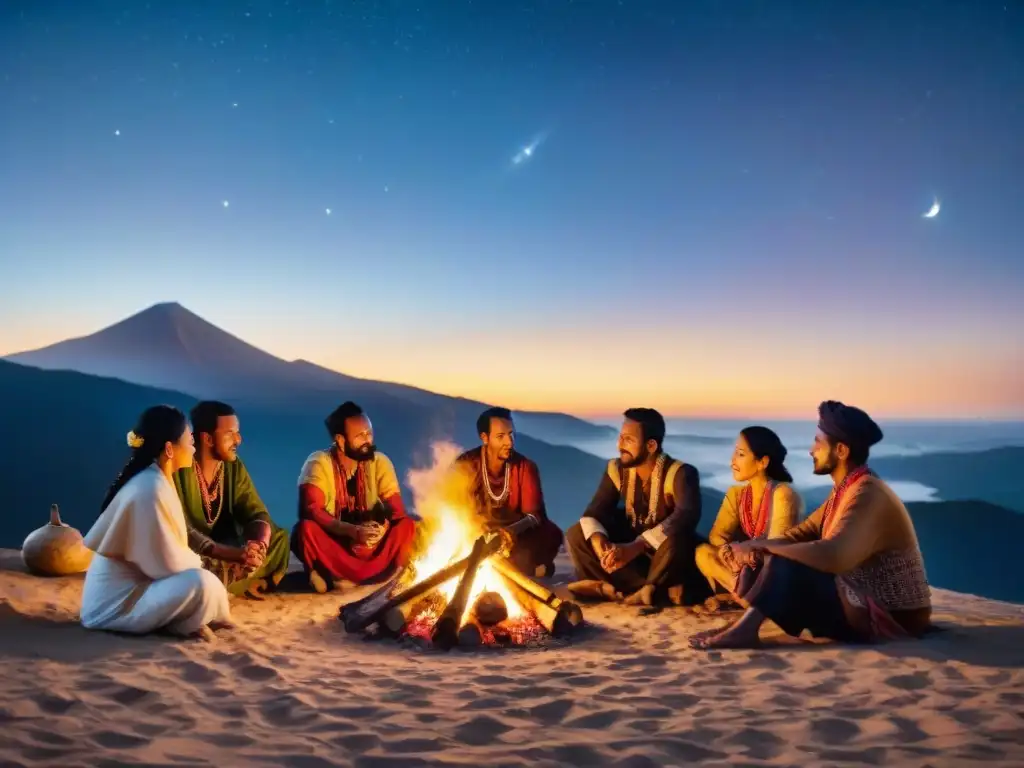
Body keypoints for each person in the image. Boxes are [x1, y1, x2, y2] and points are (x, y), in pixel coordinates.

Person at [690, 400, 932, 650]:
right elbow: (800, 534)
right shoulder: (845, 490)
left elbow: (832, 555)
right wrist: (753, 547)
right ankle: (743, 626)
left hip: (889, 616)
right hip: (855, 603)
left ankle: (743, 631)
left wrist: (766, 549)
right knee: (764, 558)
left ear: (840, 451)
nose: (811, 450)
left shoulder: (867, 493)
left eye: (818, 442)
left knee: (783, 561)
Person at [81, 405, 231, 640]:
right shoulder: (149, 488)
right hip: (117, 605)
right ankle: (180, 625)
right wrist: (197, 561)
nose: (194, 447)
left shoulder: (157, 480)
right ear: (170, 449)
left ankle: (187, 621)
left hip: (142, 590)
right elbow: (164, 565)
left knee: (207, 582)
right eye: (189, 440)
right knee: (200, 583)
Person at [565, 408, 707, 607]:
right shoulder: (617, 469)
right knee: (579, 532)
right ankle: (622, 587)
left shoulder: (681, 473)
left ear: (651, 445)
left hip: (665, 561)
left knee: (677, 540)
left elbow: (686, 516)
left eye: (628, 440)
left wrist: (637, 546)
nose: (619, 445)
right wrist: (600, 543)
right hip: (632, 560)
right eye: (620, 438)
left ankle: (649, 589)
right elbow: (595, 510)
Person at [291, 401, 417, 593]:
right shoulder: (319, 462)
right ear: (340, 441)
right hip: (337, 544)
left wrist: (380, 529)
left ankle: (381, 576)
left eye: (369, 433)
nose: (367, 440)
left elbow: (396, 511)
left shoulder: (380, 462)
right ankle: (329, 574)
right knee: (305, 530)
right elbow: (313, 510)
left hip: (371, 546)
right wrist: (351, 531)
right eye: (360, 436)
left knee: (407, 525)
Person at [173, 401, 291, 597]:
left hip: (229, 547)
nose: (238, 440)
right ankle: (232, 582)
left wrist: (257, 545)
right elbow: (180, 529)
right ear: (208, 438)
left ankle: (233, 579)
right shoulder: (181, 469)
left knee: (278, 538)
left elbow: (256, 512)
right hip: (194, 550)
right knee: (191, 566)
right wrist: (230, 554)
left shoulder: (233, 467)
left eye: (238, 433)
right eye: (230, 434)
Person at [694, 426, 803, 608]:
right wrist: (726, 551)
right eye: (735, 453)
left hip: (771, 569)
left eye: (741, 454)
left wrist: (746, 552)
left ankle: (747, 599)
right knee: (703, 553)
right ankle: (746, 598)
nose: (732, 461)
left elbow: (778, 547)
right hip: (741, 567)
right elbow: (717, 535)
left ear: (762, 462)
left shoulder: (783, 494)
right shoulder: (736, 494)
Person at [449, 407, 564, 578]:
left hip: (516, 537)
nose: (509, 442)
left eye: (511, 434)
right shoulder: (466, 464)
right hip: (476, 533)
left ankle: (524, 568)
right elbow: (456, 508)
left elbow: (534, 516)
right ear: (485, 438)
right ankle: (529, 570)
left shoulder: (525, 467)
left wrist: (509, 532)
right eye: (500, 436)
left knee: (550, 535)